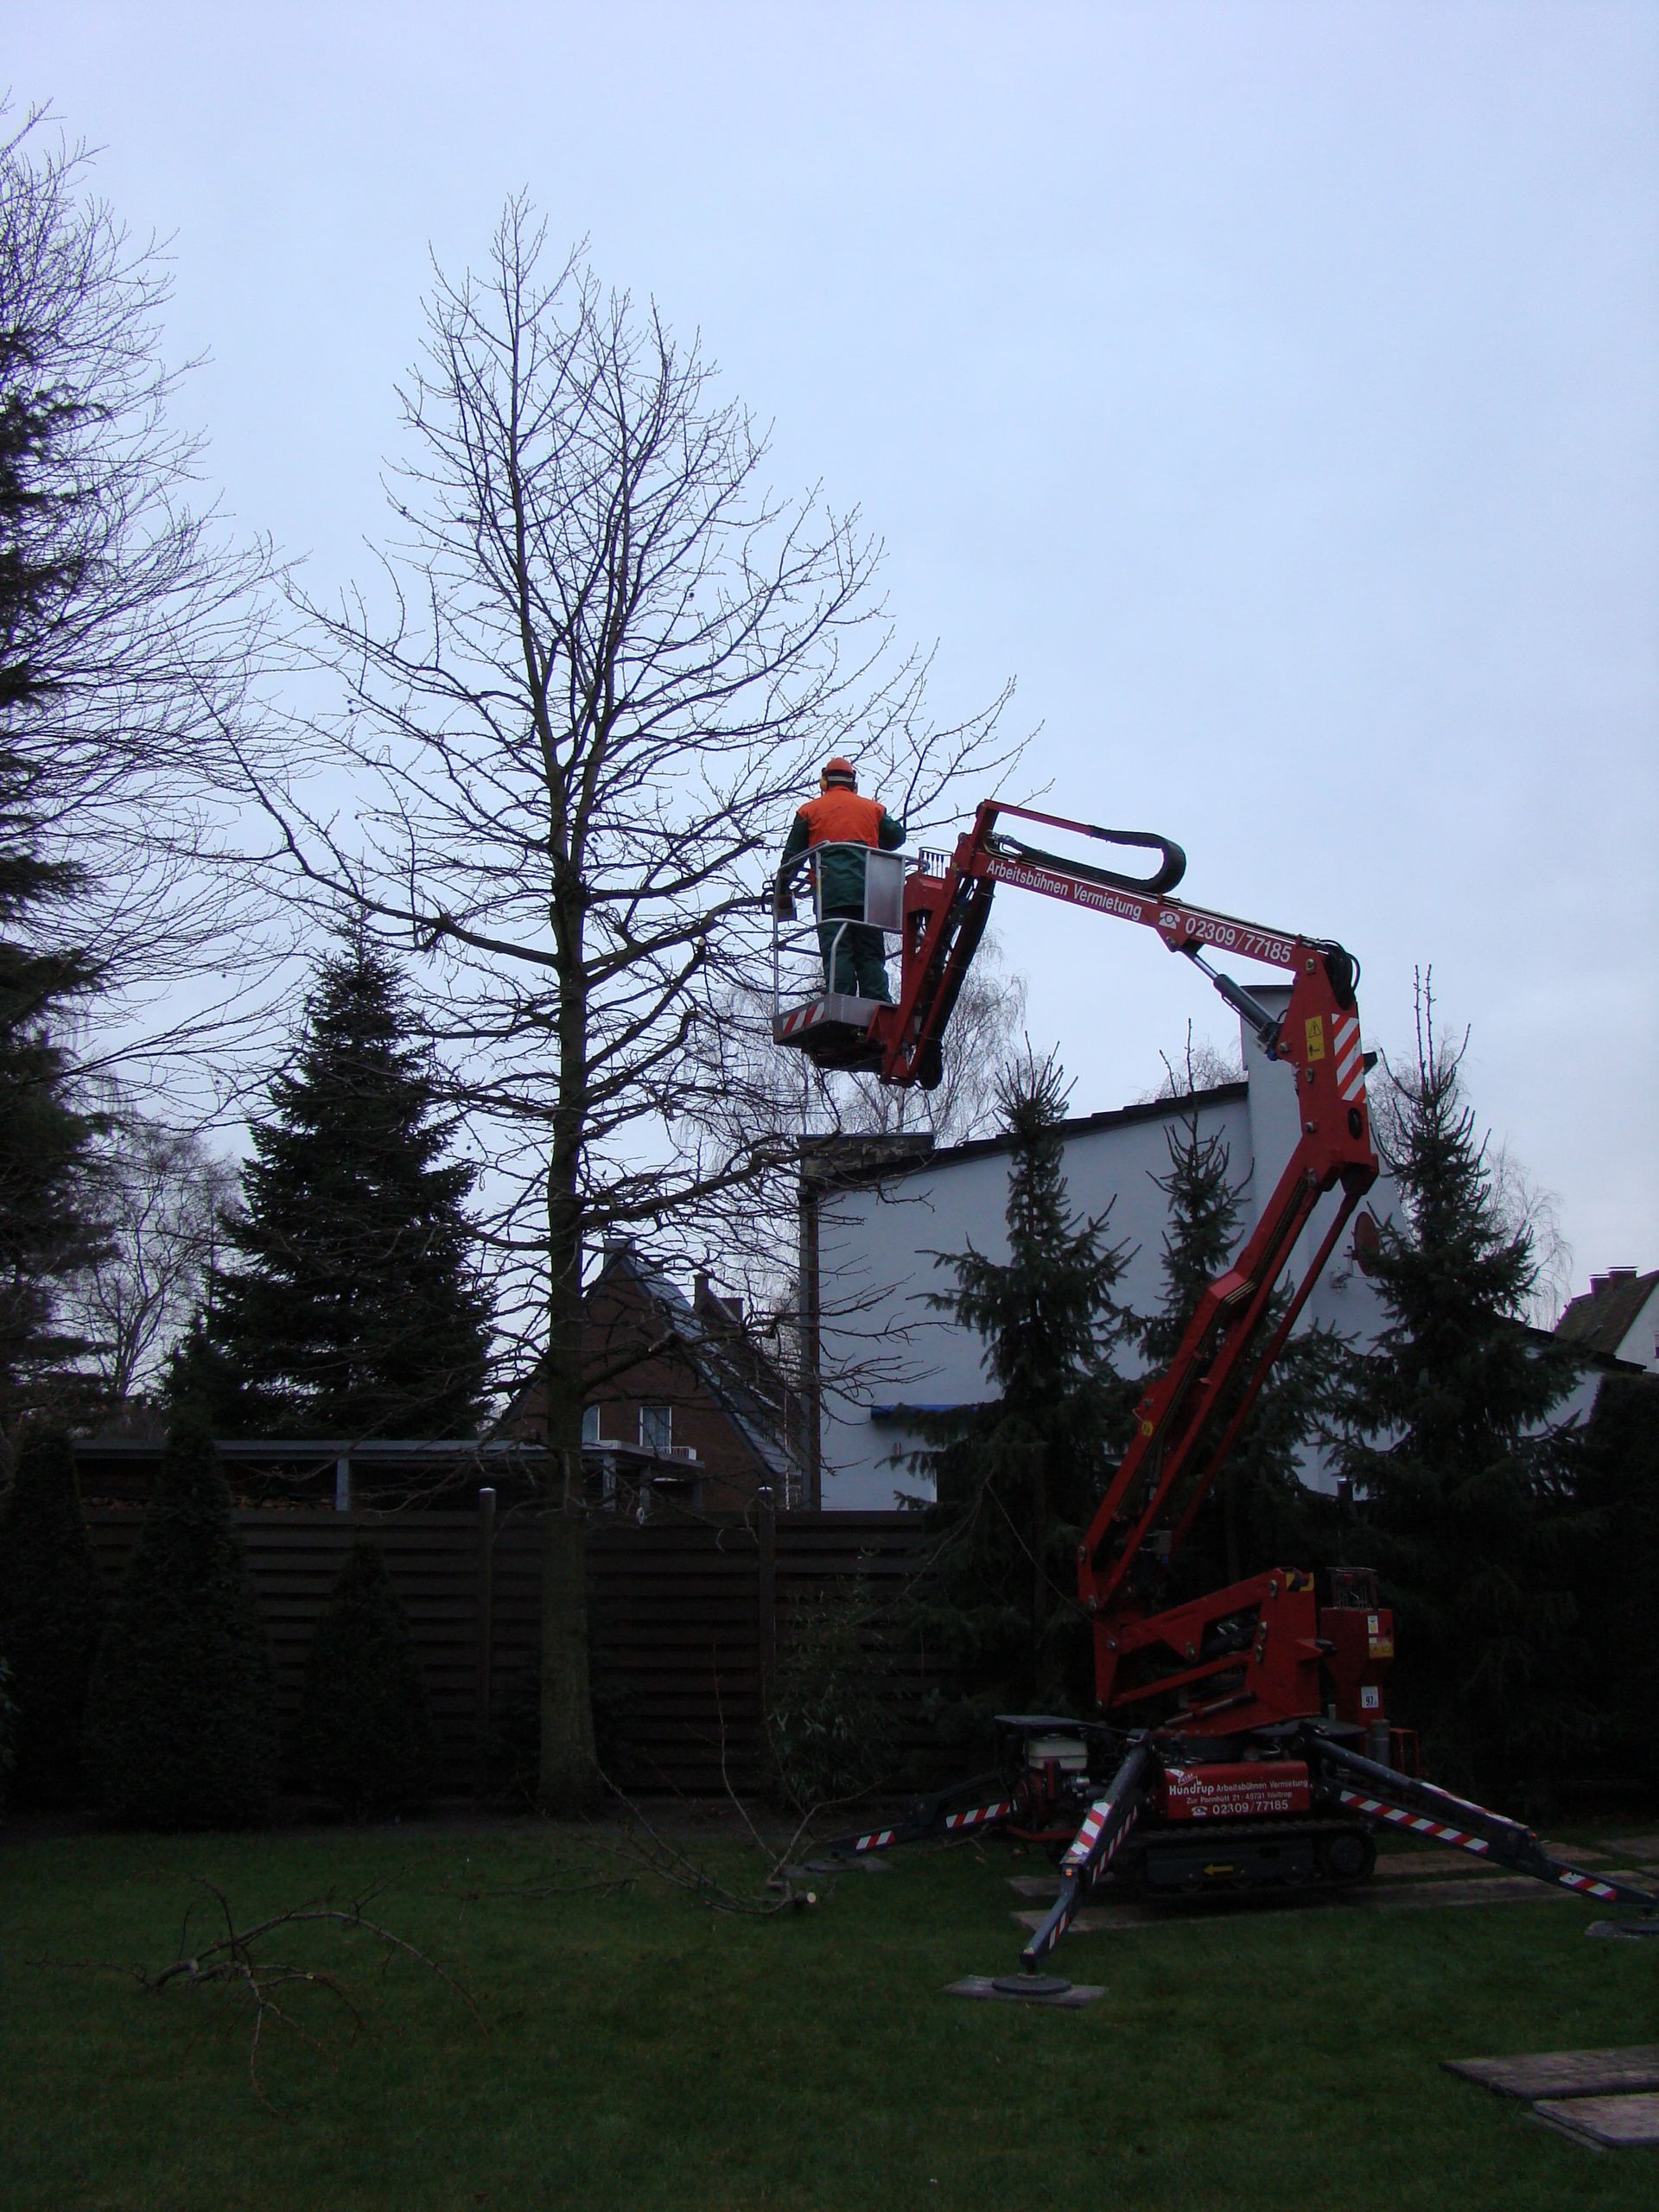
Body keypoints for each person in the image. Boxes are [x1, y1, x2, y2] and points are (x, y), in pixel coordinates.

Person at [774, 756, 906, 1001]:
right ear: (854, 783)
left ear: (824, 782)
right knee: (870, 951)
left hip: (830, 892)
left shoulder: (809, 811)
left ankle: (841, 1000)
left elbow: (792, 857)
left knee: (838, 950)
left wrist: (780, 887)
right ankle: (877, 1001)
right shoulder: (873, 809)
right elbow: (897, 836)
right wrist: (875, 844)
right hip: (870, 892)